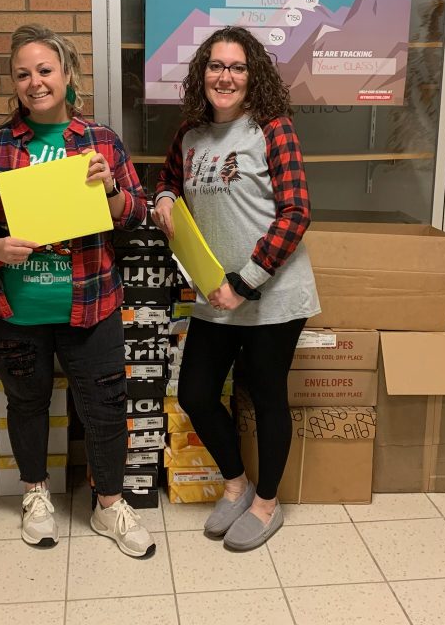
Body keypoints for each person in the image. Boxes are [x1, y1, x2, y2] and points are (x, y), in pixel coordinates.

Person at [0, 24, 155, 558]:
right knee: (26, 401)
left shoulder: (101, 142)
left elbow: (134, 214)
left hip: (89, 302)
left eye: (45, 70)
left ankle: (109, 504)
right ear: (13, 82)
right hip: (7, 307)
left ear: (67, 75)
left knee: (107, 406)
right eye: (23, 73)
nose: (34, 82)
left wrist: (110, 187)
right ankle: (36, 494)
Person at [152, 27, 320, 552]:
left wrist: (245, 282)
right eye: (216, 66)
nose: (225, 76)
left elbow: (296, 214)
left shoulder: (272, 129)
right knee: (196, 393)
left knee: (268, 398)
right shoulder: (190, 135)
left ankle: (267, 505)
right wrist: (161, 196)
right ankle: (235, 484)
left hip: (271, 293)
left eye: (237, 67)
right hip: (214, 294)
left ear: (253, 77)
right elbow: (170, 180)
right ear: (202, 73)